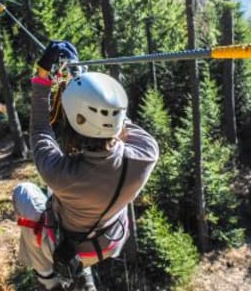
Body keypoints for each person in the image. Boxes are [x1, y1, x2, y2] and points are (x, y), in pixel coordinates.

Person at [12, 41, 159, 291]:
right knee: (58, 198)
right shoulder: (145, 154)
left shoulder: (60, 174)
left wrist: (42, 77)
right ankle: (84, 275)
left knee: (23, 193)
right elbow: (118, 122)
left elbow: (40, 129)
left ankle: (48, 279)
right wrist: (81, 81)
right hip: (111, 240)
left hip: (75, 242)